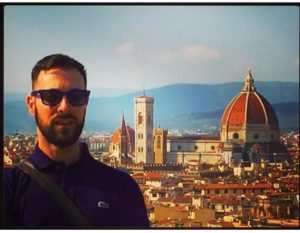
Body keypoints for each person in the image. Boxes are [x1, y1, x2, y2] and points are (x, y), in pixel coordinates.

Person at [4, 54, 150, 229]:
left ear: (86, 103)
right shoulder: (8, 189)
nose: (65, 106)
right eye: (51, 96)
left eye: (76, 97)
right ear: (31, 104)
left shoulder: (123, 189)